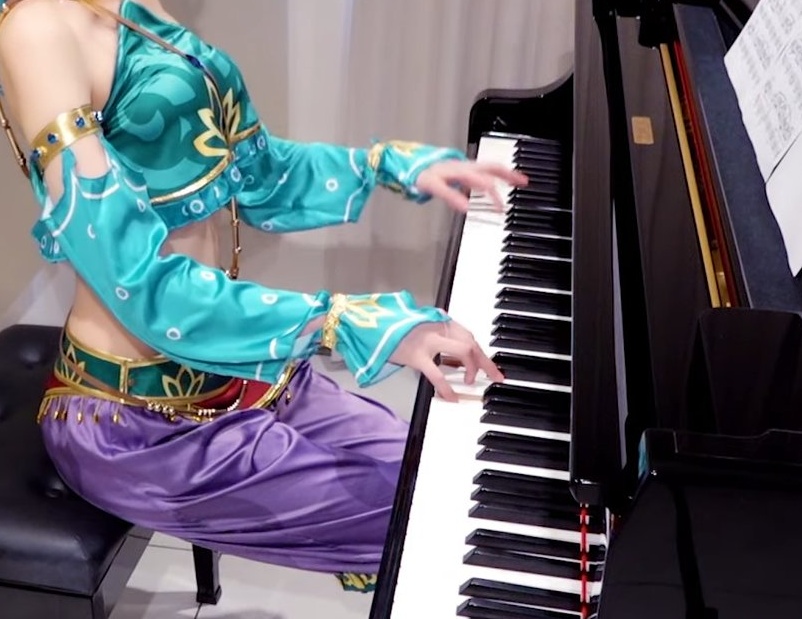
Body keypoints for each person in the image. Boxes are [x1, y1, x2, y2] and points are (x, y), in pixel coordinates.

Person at [0, 0, 524, 592]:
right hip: (134, 425)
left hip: (235, 369)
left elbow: (260, 176)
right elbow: (140, 286)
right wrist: (343, 321)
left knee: (447, 468)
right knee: (441, 512)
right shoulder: (37, 30)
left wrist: (384, 165)